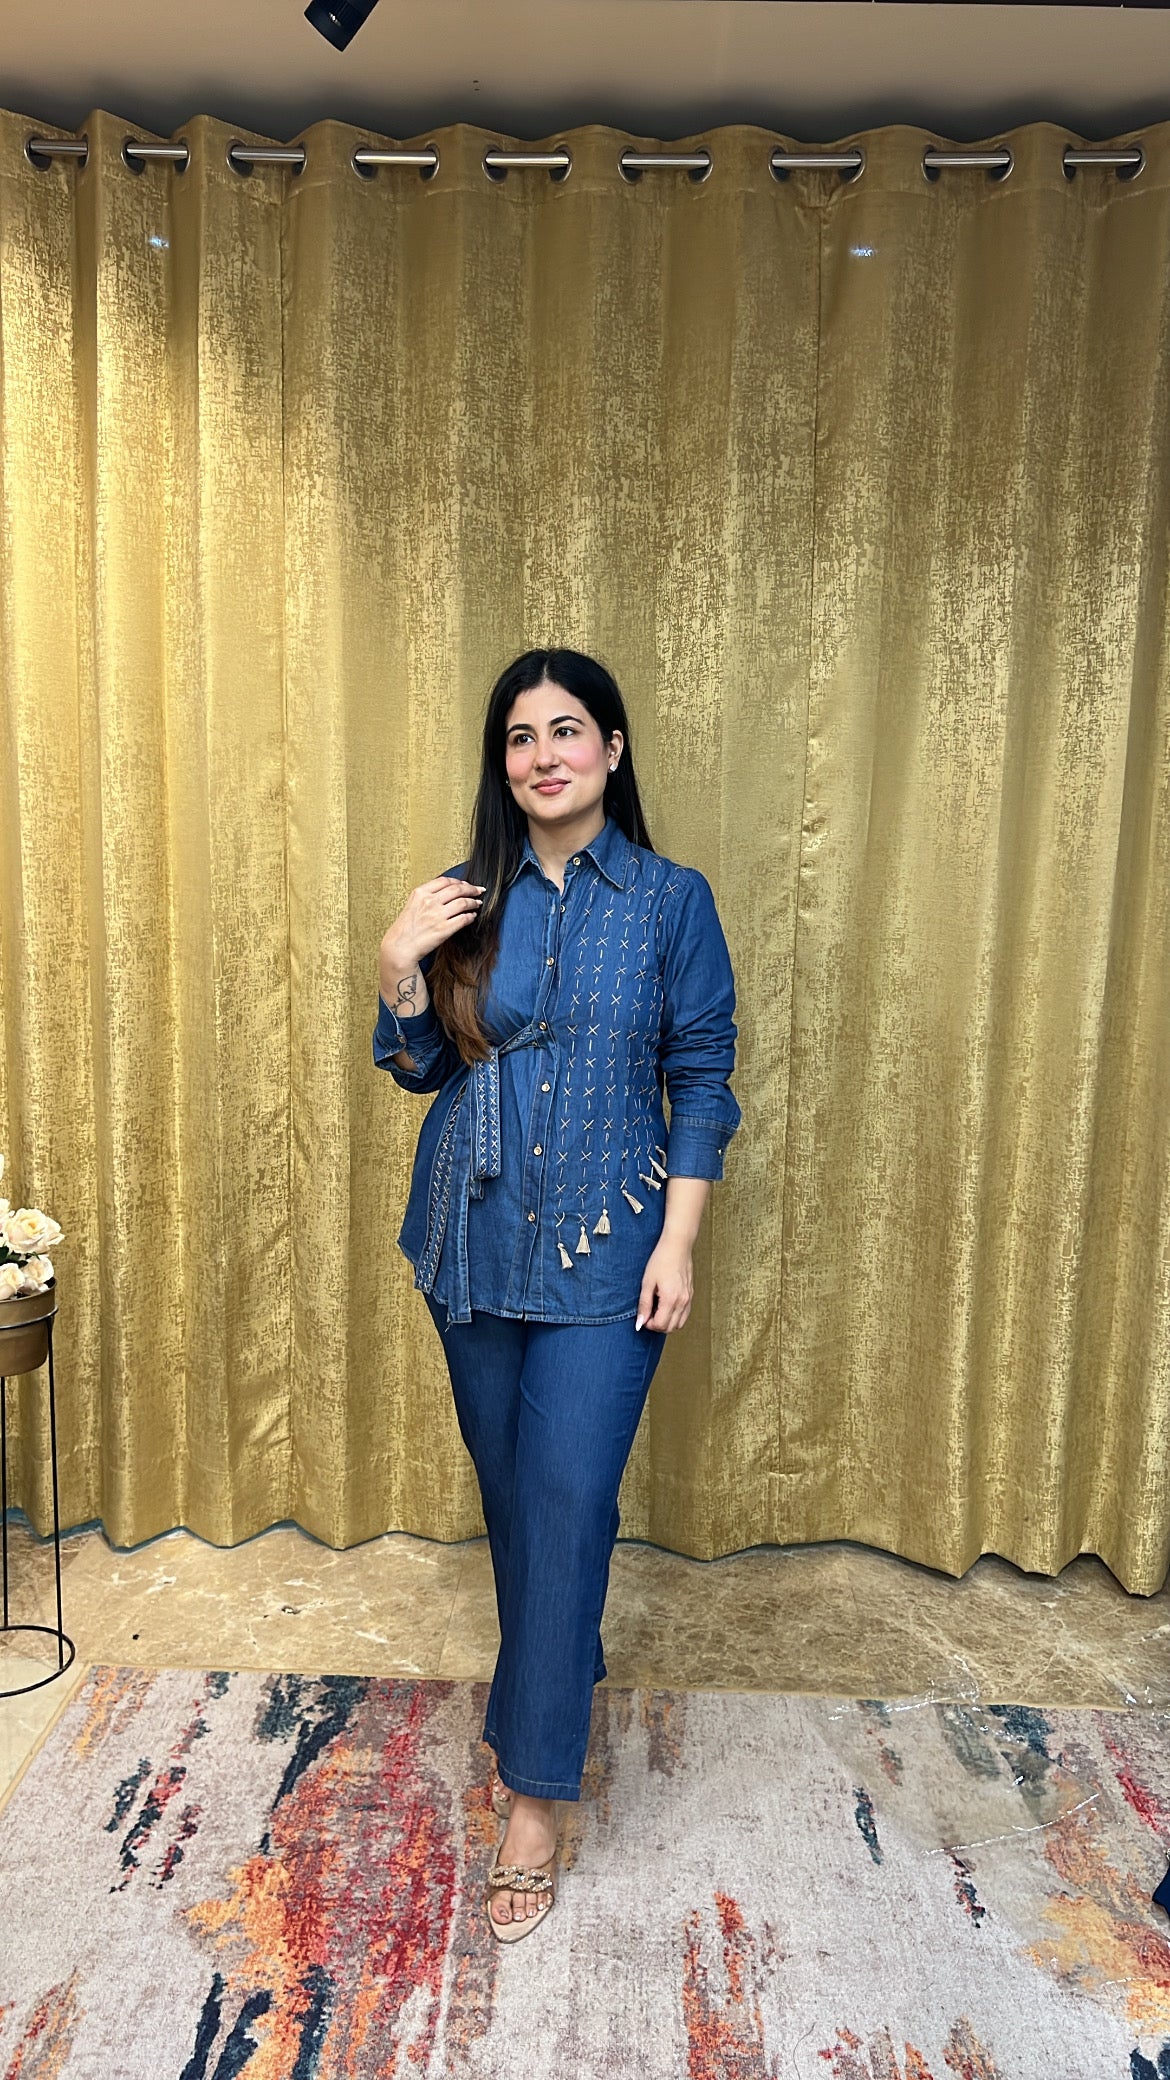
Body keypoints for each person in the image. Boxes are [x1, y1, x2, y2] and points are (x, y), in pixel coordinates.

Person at [373, 647, 742, 1943]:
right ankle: (558, 1663)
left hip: (605, 1246)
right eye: (521, 736)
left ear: (612, 749)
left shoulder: (669, 901)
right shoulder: (465, 898)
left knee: (568, 1497)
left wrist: (677, 1242)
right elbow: (422, 1068)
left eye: (567, 730)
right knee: (517, 1503)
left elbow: (701, 1075)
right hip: (470, 1245)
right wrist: (398, 964)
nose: (544, 755)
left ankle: (534, 1792)